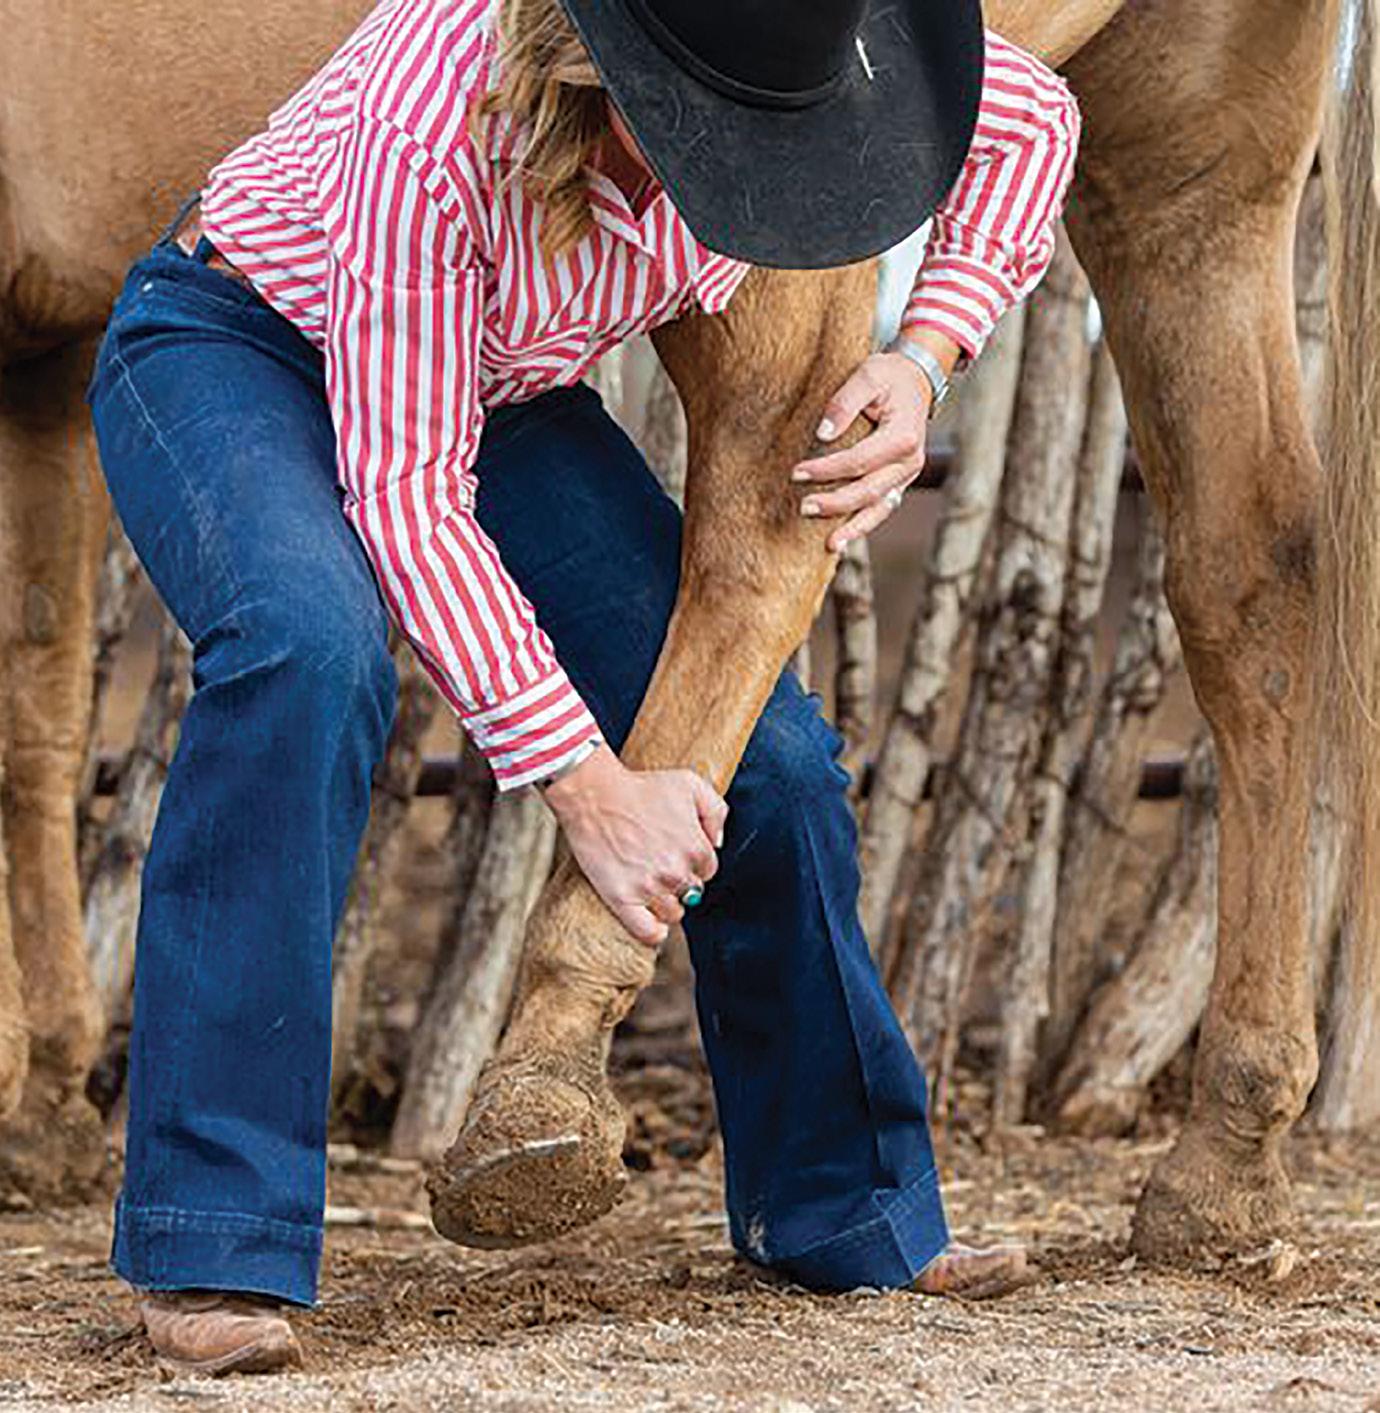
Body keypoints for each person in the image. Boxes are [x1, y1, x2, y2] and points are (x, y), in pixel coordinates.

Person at [88, 0, 1080, 1376]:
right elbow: (407, 499)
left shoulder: (804, 45)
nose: (767, 179)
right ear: (612, 84)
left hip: (493, 397)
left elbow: (1031, 121)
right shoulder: (439, 120)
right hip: (244, 343)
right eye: (726, 142)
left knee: (770, 765)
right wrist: (589, 785)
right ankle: (210, 1236)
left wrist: (925, 358)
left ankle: (846, 1210)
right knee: (306, 648)